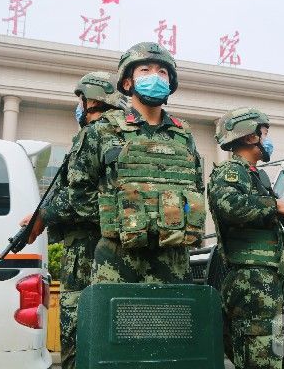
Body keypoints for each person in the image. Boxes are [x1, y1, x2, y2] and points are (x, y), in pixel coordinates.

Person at [67, 41, 206, 285]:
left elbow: (195, 188)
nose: (155, 76)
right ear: (128, 82)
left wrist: (173, 219)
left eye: (162, 72)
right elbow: (78, 192)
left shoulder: (184, 134)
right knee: (115, 322)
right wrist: (121, 219)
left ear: (170, 83)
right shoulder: (102, 129)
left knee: (171, 323)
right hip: (119, 260)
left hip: (173, 260)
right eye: (145, 70)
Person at [20, 71, 126, 369]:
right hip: (119, 254)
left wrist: (44, 215)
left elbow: (77, 198)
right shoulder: (126, 132)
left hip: (87, 252)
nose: (78, 107)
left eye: (81, 100)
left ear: (91, 100)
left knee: (78, 331)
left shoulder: (92, 134)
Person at [208, 107, 284, 369]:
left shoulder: (256, 176)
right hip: (251, 277)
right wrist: (274, 205)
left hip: (263, 274)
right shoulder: (231, 171)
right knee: (261, 351)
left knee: (257, 347)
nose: (267, 138)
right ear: (251, 136)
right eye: (264, 132)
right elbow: (230, 206)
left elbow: (280, 223)